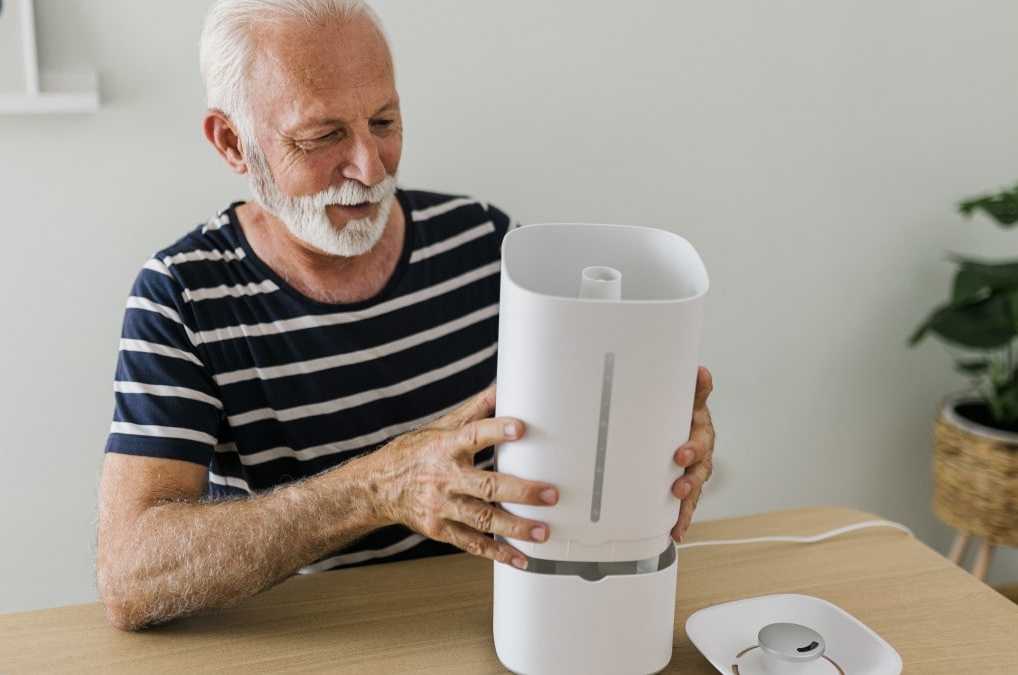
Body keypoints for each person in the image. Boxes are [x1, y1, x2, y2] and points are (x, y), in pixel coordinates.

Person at [96, 0, 716, 632]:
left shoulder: (485, 243)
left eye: (384, 121)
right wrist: (375, 490)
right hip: (316, 636)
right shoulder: (180, 296)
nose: (370, 168)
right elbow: (130, 576)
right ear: (233, 142)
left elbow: (581, 427)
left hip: (497, 613)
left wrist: (655, 436)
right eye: (323, 136)